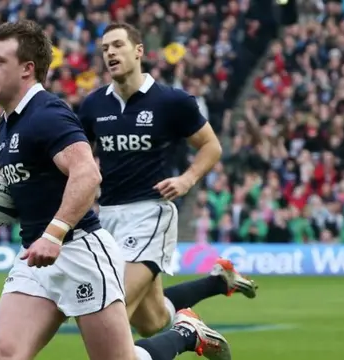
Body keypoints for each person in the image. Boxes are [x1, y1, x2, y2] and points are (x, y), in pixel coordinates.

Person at [0, 20, 231, 360]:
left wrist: (54, 234)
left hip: (78, 251)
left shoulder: (48, 113)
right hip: (35, 255)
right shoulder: (7, 122)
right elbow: (32, 188)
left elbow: (87, 175)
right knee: (4, 355)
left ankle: (185, 334)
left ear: (27, 69)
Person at [78, 22, 257, 337]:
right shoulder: (94, 105)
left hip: (150, 213)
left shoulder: (171, 101)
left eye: (118, 45)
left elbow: (211, 146)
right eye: (105, 48)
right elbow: (77, 154)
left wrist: (187, 179)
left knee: (110, 309)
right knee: (152, 321)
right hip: (106, 219)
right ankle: (213, 289)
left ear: (139, 51)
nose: (110, 53)